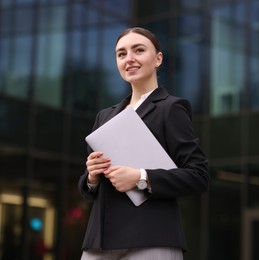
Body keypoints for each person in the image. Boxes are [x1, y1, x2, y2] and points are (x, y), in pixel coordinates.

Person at [78, 27, 209, 260]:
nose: (129, 58)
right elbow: (89, 191)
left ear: (158, 59)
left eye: (138, 50)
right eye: (121, 53)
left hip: (151, 237)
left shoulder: (172, 109)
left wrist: (140, 178)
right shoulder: (104, 117)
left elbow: (198, 175)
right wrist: (91, 178)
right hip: (99, 242)